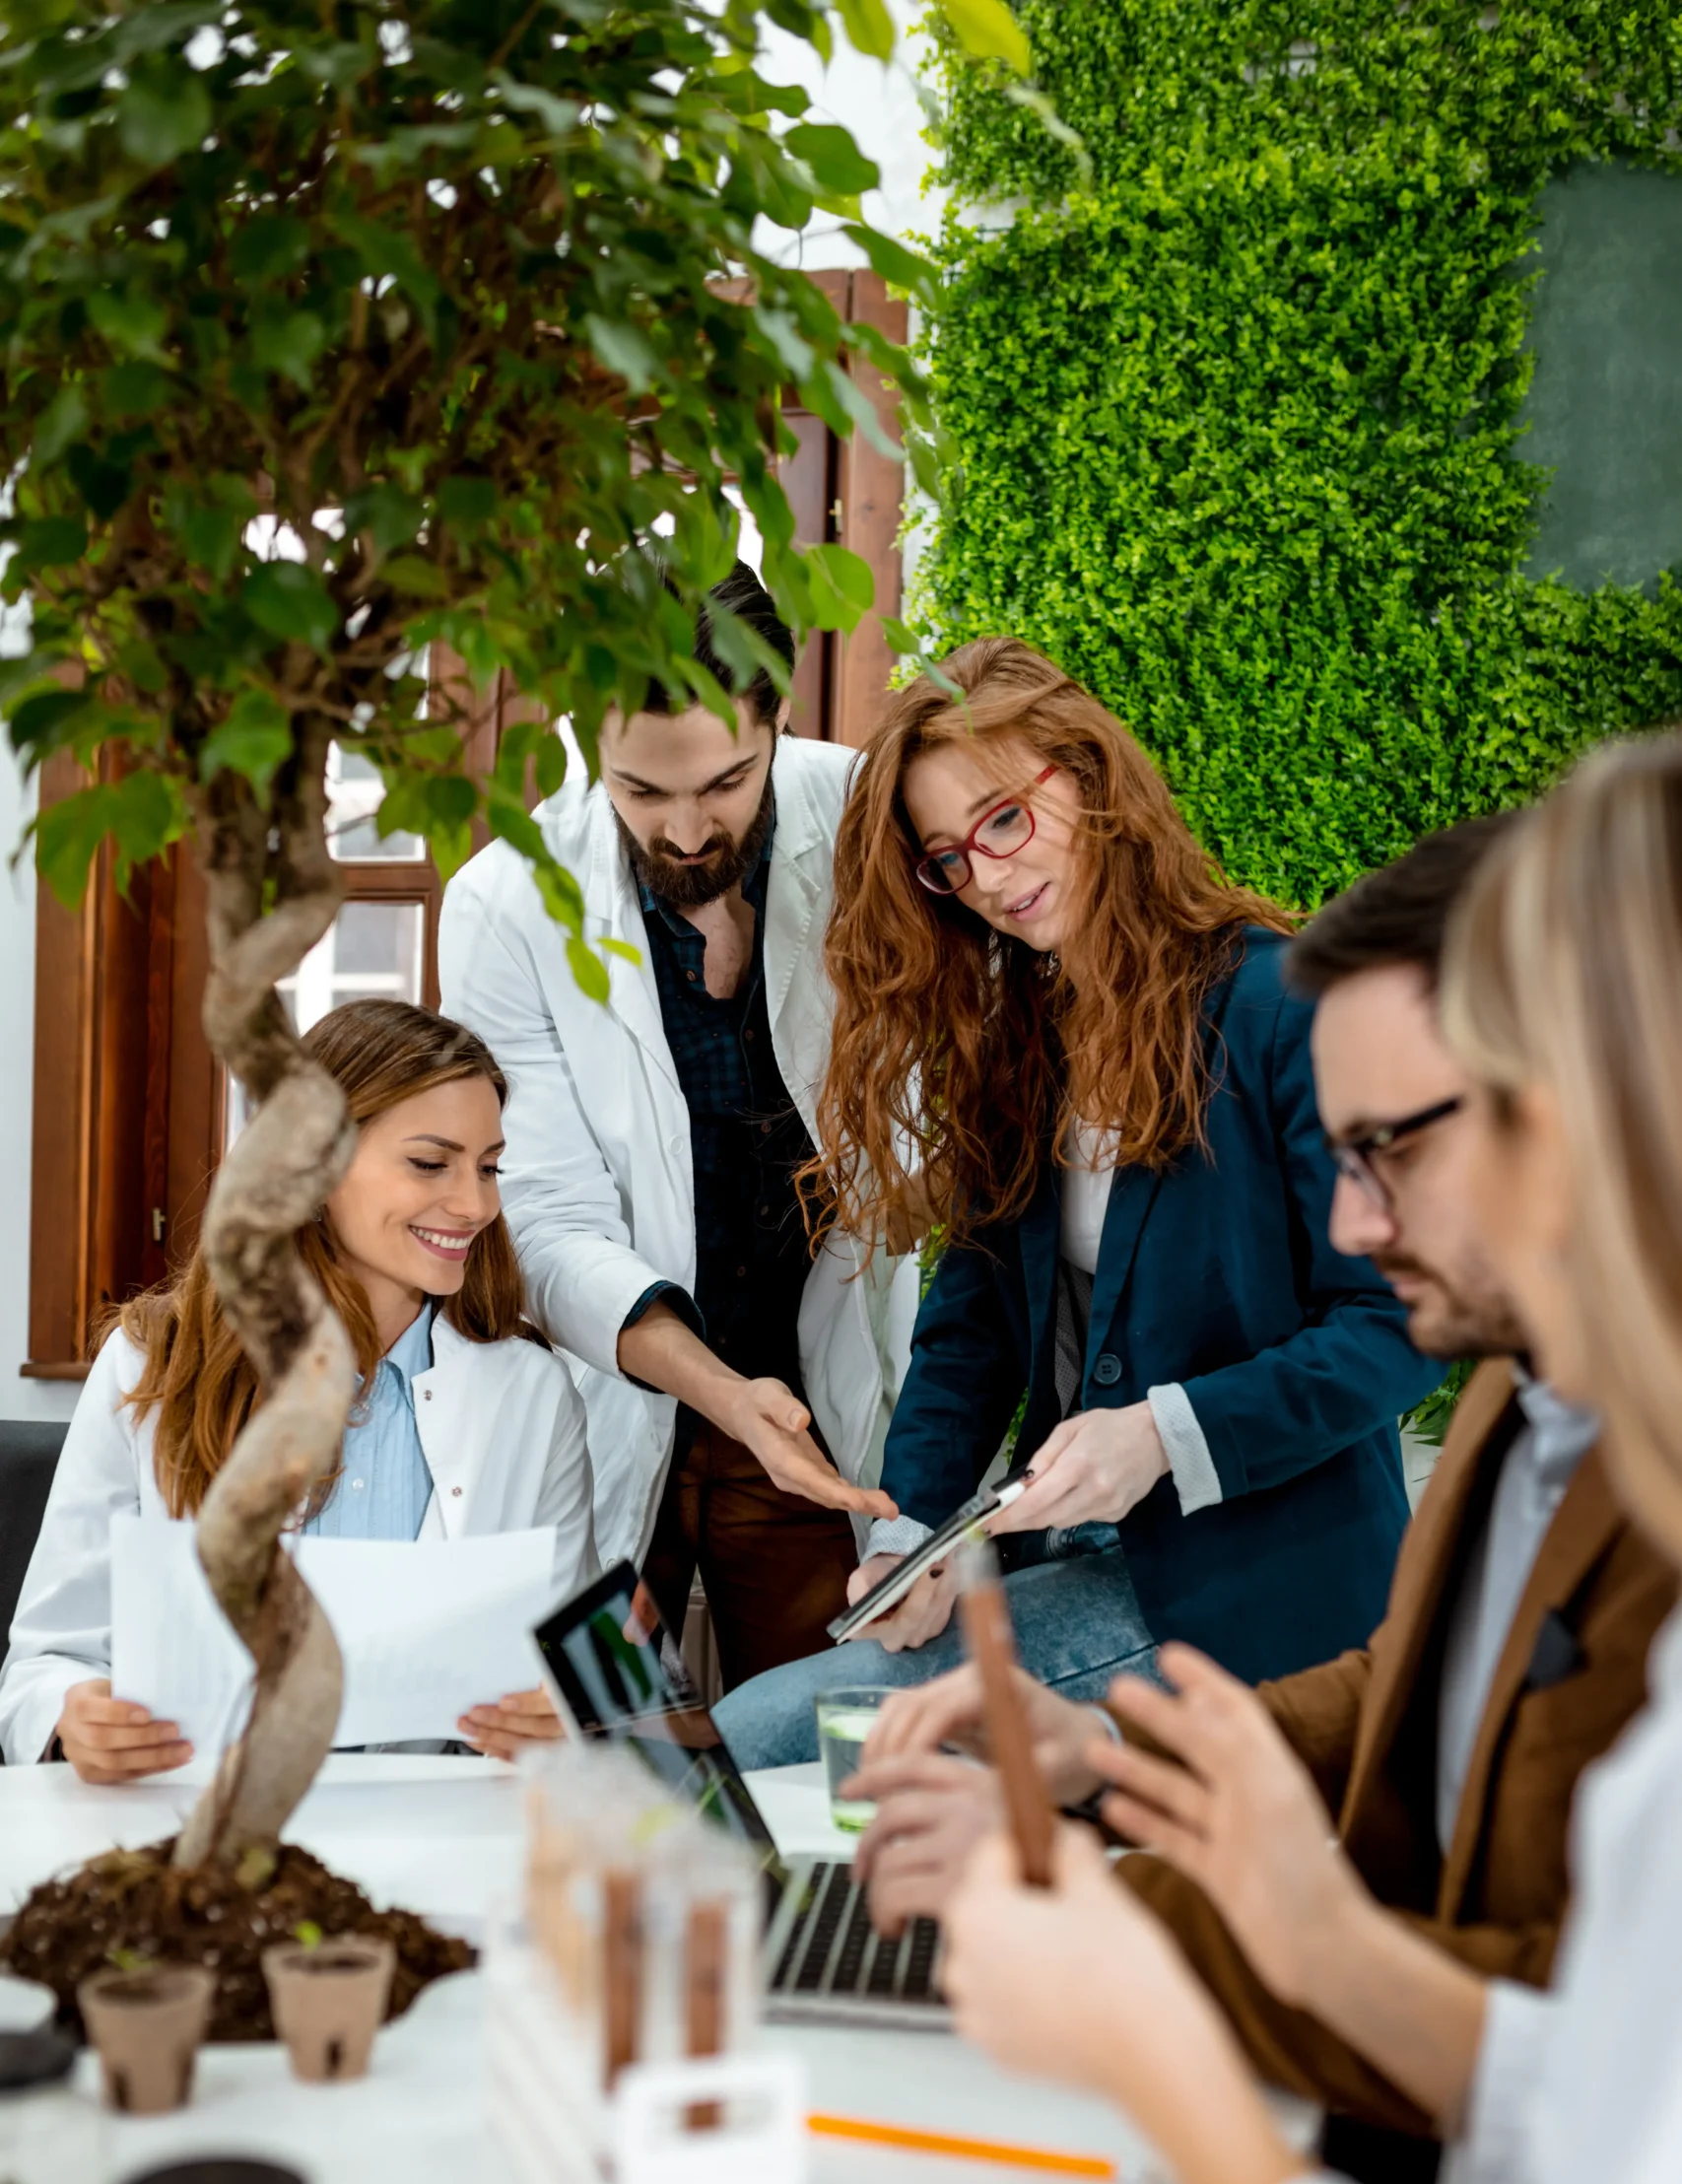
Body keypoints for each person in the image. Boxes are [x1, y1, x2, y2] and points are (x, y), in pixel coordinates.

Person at [941, 733, 1682, 2184]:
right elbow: (1418, 1700)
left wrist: (1158, 2017)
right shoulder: (1520, 1393)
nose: (1345, 1221)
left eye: (1385, 1151)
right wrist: (1109, 1757)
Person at [712, 638, 1433, 1769]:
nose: (990, 878)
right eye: (949, 859)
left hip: (1256, 1604)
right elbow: (972, 1328)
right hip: (1072, 1561)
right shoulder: (1026, 1041)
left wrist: (1164, 1434)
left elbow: (1400, 1325)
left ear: (1090, 775)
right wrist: (908, 1537)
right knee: (800, 1748)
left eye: (1004, 819)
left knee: (770, 1738)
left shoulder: (1283, 1006)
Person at [438, 562, 909, 1689]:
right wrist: (720, 1397)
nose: (687, 828)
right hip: (609, 1412)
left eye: (726, 782)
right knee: (603, 1746)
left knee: (822, 1738)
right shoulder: (508, 903)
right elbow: (545, 1221)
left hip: (813, 1419)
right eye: (642, 791)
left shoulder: (872, 827)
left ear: (777, 716)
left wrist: (762, 1414)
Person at [0, 999, 596, 1777]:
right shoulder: (149, 1362)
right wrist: (74, 1716)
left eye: (488, 1167)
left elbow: (582, 1674)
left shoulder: (532, 1393)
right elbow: (48, 1660)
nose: (476, 1205)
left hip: (432, 1817)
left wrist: (565, 1716)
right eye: (430, 1163)